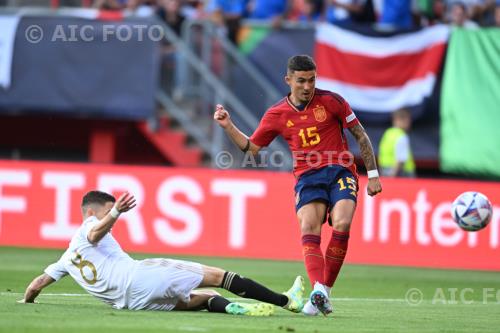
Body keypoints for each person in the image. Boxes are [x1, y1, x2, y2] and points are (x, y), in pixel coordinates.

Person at [213, 55, 382, 316]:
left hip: (340, 170)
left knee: (342, 222)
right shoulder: (277, 114)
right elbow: (252, 147)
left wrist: (372, 174)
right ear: (288, 80)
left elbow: (360, 134)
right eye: (301, 80)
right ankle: (318, 291)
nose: (307, 86)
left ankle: (323, 291)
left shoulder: (332, 101)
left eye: (312, 80)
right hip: (308, 177)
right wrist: (228, 125)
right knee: (308, 227)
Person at [18, 191, 305, 316]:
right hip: (139, 276)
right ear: (92, 212)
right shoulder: (89, 226)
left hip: (130, 303)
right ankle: (286, 301)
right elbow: (95, 233)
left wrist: (26, 301)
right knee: (219, 277)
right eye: (105, 211)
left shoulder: (66, 258)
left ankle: (234, 308)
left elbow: (35, 286)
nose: (110, 217)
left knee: (205, 299)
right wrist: (115, 211)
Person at [378, 108, 416, 178]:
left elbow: (381, 154)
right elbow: (401, 160)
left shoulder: (387, 133)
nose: (409, 123)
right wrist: (392, 177)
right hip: (401, 173)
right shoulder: (401, 136)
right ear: (402, 120)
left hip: (384, 170)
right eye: (408, 120)